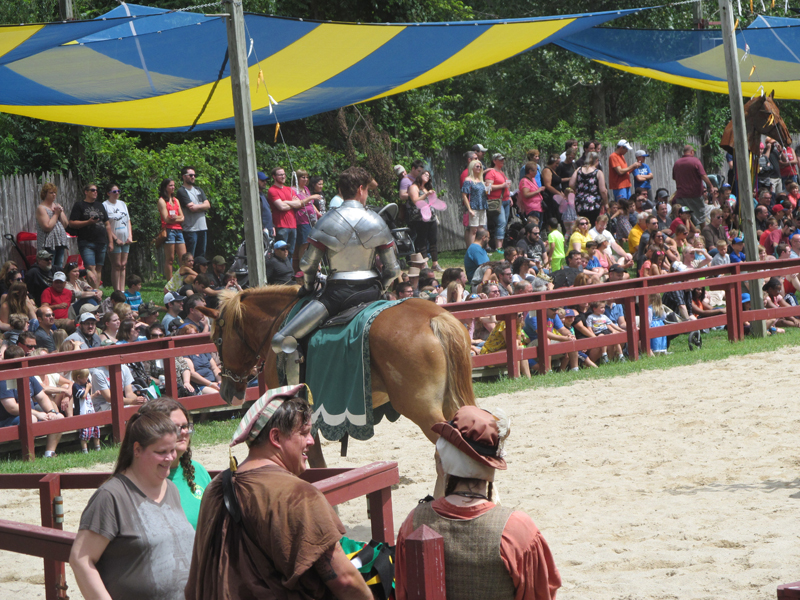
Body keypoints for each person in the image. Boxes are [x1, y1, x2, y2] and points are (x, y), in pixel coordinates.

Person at [186, 385, 372, 600]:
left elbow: (195, 582)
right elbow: (346, 581)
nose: (311, 441)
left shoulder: (214, 488)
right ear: (275, 437)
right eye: (303, 433)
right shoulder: (298, 495)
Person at [395, 406, 560, 600]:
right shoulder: (516, 530)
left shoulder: (414, 522)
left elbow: (403, 593)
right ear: (492, 465)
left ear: (443, 460)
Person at [272, 167, 401, 354]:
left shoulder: (326, 220)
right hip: (372, 291)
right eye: (367, 190)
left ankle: (301, 383)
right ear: (360, 189)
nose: (367, 194)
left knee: (280, 340)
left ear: (340, 190)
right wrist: (382, 287)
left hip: (336, 295)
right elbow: (393, 270)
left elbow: (307, 264)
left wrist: (308, 286)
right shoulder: (376, 220)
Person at [69, 410, 195, 599]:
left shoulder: (171, 489)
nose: (170, 458)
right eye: (161, 452)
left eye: (172, 450)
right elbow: (81, 559)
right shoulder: (111, 497)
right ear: (137, 450)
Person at [138, 397, 212, 529]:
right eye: (175, 427)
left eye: (185, 426)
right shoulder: (137, 480)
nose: (183, 432)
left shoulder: (198, 471)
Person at [68, 183, 111, 289]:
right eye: (92, 190)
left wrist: (110, 241)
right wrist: (88, 222)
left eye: (96, 190)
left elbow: (107, 224)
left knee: (99, 268)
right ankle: (94, 294)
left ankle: (96, 292)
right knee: (90, 267)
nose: (95, 192)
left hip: (101, 241)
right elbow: (72, 223)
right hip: (86, 241)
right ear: (86, 192)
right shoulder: (79, 205)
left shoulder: (100, 205)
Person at [268, 167, 313, 255]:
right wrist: (292, 204)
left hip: (293, 225)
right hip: (281, 225)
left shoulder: (288, 189)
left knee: (290, 252)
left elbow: (299, 204)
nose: (283, 176)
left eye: (284, 174)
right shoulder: (272, 190)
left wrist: (286, 202)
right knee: (281, 253)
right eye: (280, 175)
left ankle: (289, 269)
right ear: (274, 177)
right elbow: (281, 207)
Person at [408, 170, 443, 271]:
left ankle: (435, 264)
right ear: (420, 175)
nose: (428, 177)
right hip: (419, 217)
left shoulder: (426, 188)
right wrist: (426, 195)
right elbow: (415, 201)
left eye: (429, 175)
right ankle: (425, 264)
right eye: (425, 174)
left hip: (430, 217)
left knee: (433, 240)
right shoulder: (414, 187)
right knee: (422, 240)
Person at [672, 144, 716, 225]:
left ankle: (687, 236)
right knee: (701, 217)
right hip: (695, 195)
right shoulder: (695, 161)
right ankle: (703, 235)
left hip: (681, 195)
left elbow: (675, 178)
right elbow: (703, 175)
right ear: (692, 152)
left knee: (684, 218)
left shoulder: (677, 163)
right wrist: (710, 185)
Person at [102, 183, 133, 291]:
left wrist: (130, 235)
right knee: (116, 265)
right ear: (108, 193)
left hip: (125, 238)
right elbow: (107, 225)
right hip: (114, 238)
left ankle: (122, 290)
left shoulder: (122, 204)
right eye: (114, 192)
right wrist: (115, 239)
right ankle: (117, 291)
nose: (117, 193)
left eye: (118, 191)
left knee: (123, 265)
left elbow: (128, 220)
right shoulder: (105, 205)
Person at [175, 166, 210, 258]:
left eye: (194, 175)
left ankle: (199, 273)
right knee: (190, 257)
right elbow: (192, 209)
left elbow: (208, 205)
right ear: (184, 176)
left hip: (202, 228)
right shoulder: (182, 191)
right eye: (190, 175)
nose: (193, 177)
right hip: (190, 230)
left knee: (201, 257)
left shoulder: (198, 190)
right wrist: (202, 206)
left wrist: (197, 206)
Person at [293, 170, 323, 273]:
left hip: (312, 219)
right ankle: (302, 268)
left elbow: (310, 203)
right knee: (304, 244)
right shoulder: (294, 190)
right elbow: (298, 203)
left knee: (312, 243)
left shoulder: (306, 189)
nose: (306, 180)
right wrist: (312, 197)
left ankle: (314, 266)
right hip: (302, 219)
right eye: (303, 177)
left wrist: (318, 213)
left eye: (306, 177)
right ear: (297, 178)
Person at [35, 182, 70, 269]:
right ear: (45, 194)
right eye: (51, 193)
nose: (54, 195)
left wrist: (60, 212)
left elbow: (65, 224)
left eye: (55, 193)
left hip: (60, 242)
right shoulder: (41, 208)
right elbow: (47, 227)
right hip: (48, 243)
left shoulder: (57, 205)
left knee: (59, 267)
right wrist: (56, 214)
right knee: (49, 267)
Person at [569, 150, 607, 224]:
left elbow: (571, 184)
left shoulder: (578, 170)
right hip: (593, 203)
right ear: (596, 160)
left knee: (583, 224)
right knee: (592, 224)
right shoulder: (598, 172)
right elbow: (603, 190)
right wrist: (606, 202)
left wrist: (578, 189)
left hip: (580, 203)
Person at [72, 368, 102, 453]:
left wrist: (94, 395)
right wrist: (88, 388)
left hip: (90, 411)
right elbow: (83, 396)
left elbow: (87, 397)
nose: (87, 379)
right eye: (86, 377)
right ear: (79, 377)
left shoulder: (84, 386)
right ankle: (85, 450)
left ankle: (98, 447)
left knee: (96, 429)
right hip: (82, 413)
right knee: (84, 433)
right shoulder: (76, 386)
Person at [461, 159, 489, 246]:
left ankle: (480, 248)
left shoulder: (481, 180)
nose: (479, 168)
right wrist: (469, 209)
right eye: (477, 166)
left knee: (481, 230)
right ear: (472, 167)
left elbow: (485, 194)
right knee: (473, 230)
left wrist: (488, 189)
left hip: (482, 206)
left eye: (481, 167)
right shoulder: (468, 180)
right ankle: (471, 249)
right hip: (474, 207)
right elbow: (464, 195)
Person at [257, 171, 275, 243]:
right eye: (262, 180)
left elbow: (268, 211)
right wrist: (262, 227)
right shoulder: (256, 196)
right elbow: (256, 214)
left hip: (269, 230)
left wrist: (273, 226)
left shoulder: (263, 195)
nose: (265, 182)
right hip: (262, 231)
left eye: (265, 180)